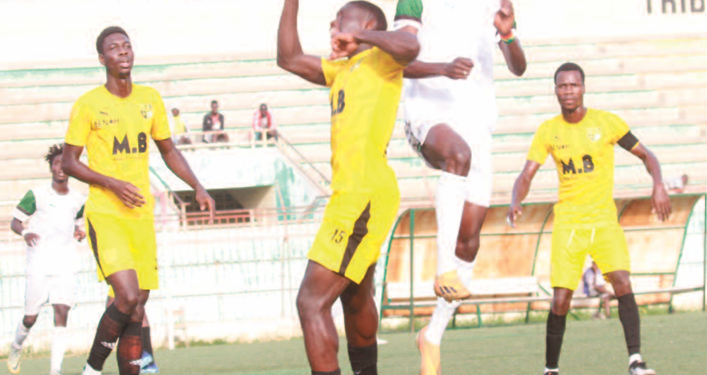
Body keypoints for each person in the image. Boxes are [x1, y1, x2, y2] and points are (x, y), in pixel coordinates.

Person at [62, 26, 215, 375]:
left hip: (140, 217)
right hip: (105, 214)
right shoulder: (88, 104)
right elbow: (70, 163)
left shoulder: (150, 98)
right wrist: (110, 182)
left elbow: (169, 150)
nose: (123, 51)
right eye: (114, 48)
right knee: (127, 296)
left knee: (138, 305)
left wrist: (198, 187)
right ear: (102, 59)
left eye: (127, 46)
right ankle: (91, 370)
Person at [277, 1, 419, 374]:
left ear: (367, 24)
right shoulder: (342, 69)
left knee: (310, 302)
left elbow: (410, 47)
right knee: (355, 298)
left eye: (340, 18)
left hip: (362, 196)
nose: (333, 23)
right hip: (354, 195)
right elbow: (288, 57)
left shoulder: (381, 59)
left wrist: (359, 36)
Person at [507, 62, 671, 375]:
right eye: (562, 86)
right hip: (569, 224)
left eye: (573, 85)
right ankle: (551, 369)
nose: (568, 91)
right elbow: (527, 173)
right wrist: (516, 200)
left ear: (583, 87)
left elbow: (647, 155)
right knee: (560, 300)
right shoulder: (548, 130)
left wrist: (659, 184)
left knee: (622, 283)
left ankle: (635, 361)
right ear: (555, 90)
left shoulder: (606, 123)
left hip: (603, 221)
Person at [393, 0, 526, 372]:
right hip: (429, 113)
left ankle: (432, 336)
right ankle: (442, 271)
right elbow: (399, 60)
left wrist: (508, 32)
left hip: (478, 124)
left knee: (469, 240)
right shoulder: (414, 2)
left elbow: (518, 67)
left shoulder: (493, 6)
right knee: (456, 154)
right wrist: (443, 69)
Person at [6, 144, 86, 375]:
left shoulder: (78, 199)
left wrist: (77, 231)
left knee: (62, 311)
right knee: (30, 317)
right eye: (56, 163)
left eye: (64, 163)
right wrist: (24, 233)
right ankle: (16, 346)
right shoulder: (37, 194)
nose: (60, 168)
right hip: (39, 262)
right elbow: (15, 222)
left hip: (65, 263)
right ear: (50, 167)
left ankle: (55, 371)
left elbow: (73, 222)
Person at [106, 287, 159, 373]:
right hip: (143, 274)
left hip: (130, 275)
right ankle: (147, 360)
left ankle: (141, 355)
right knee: (137, 308)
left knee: (114, 306)